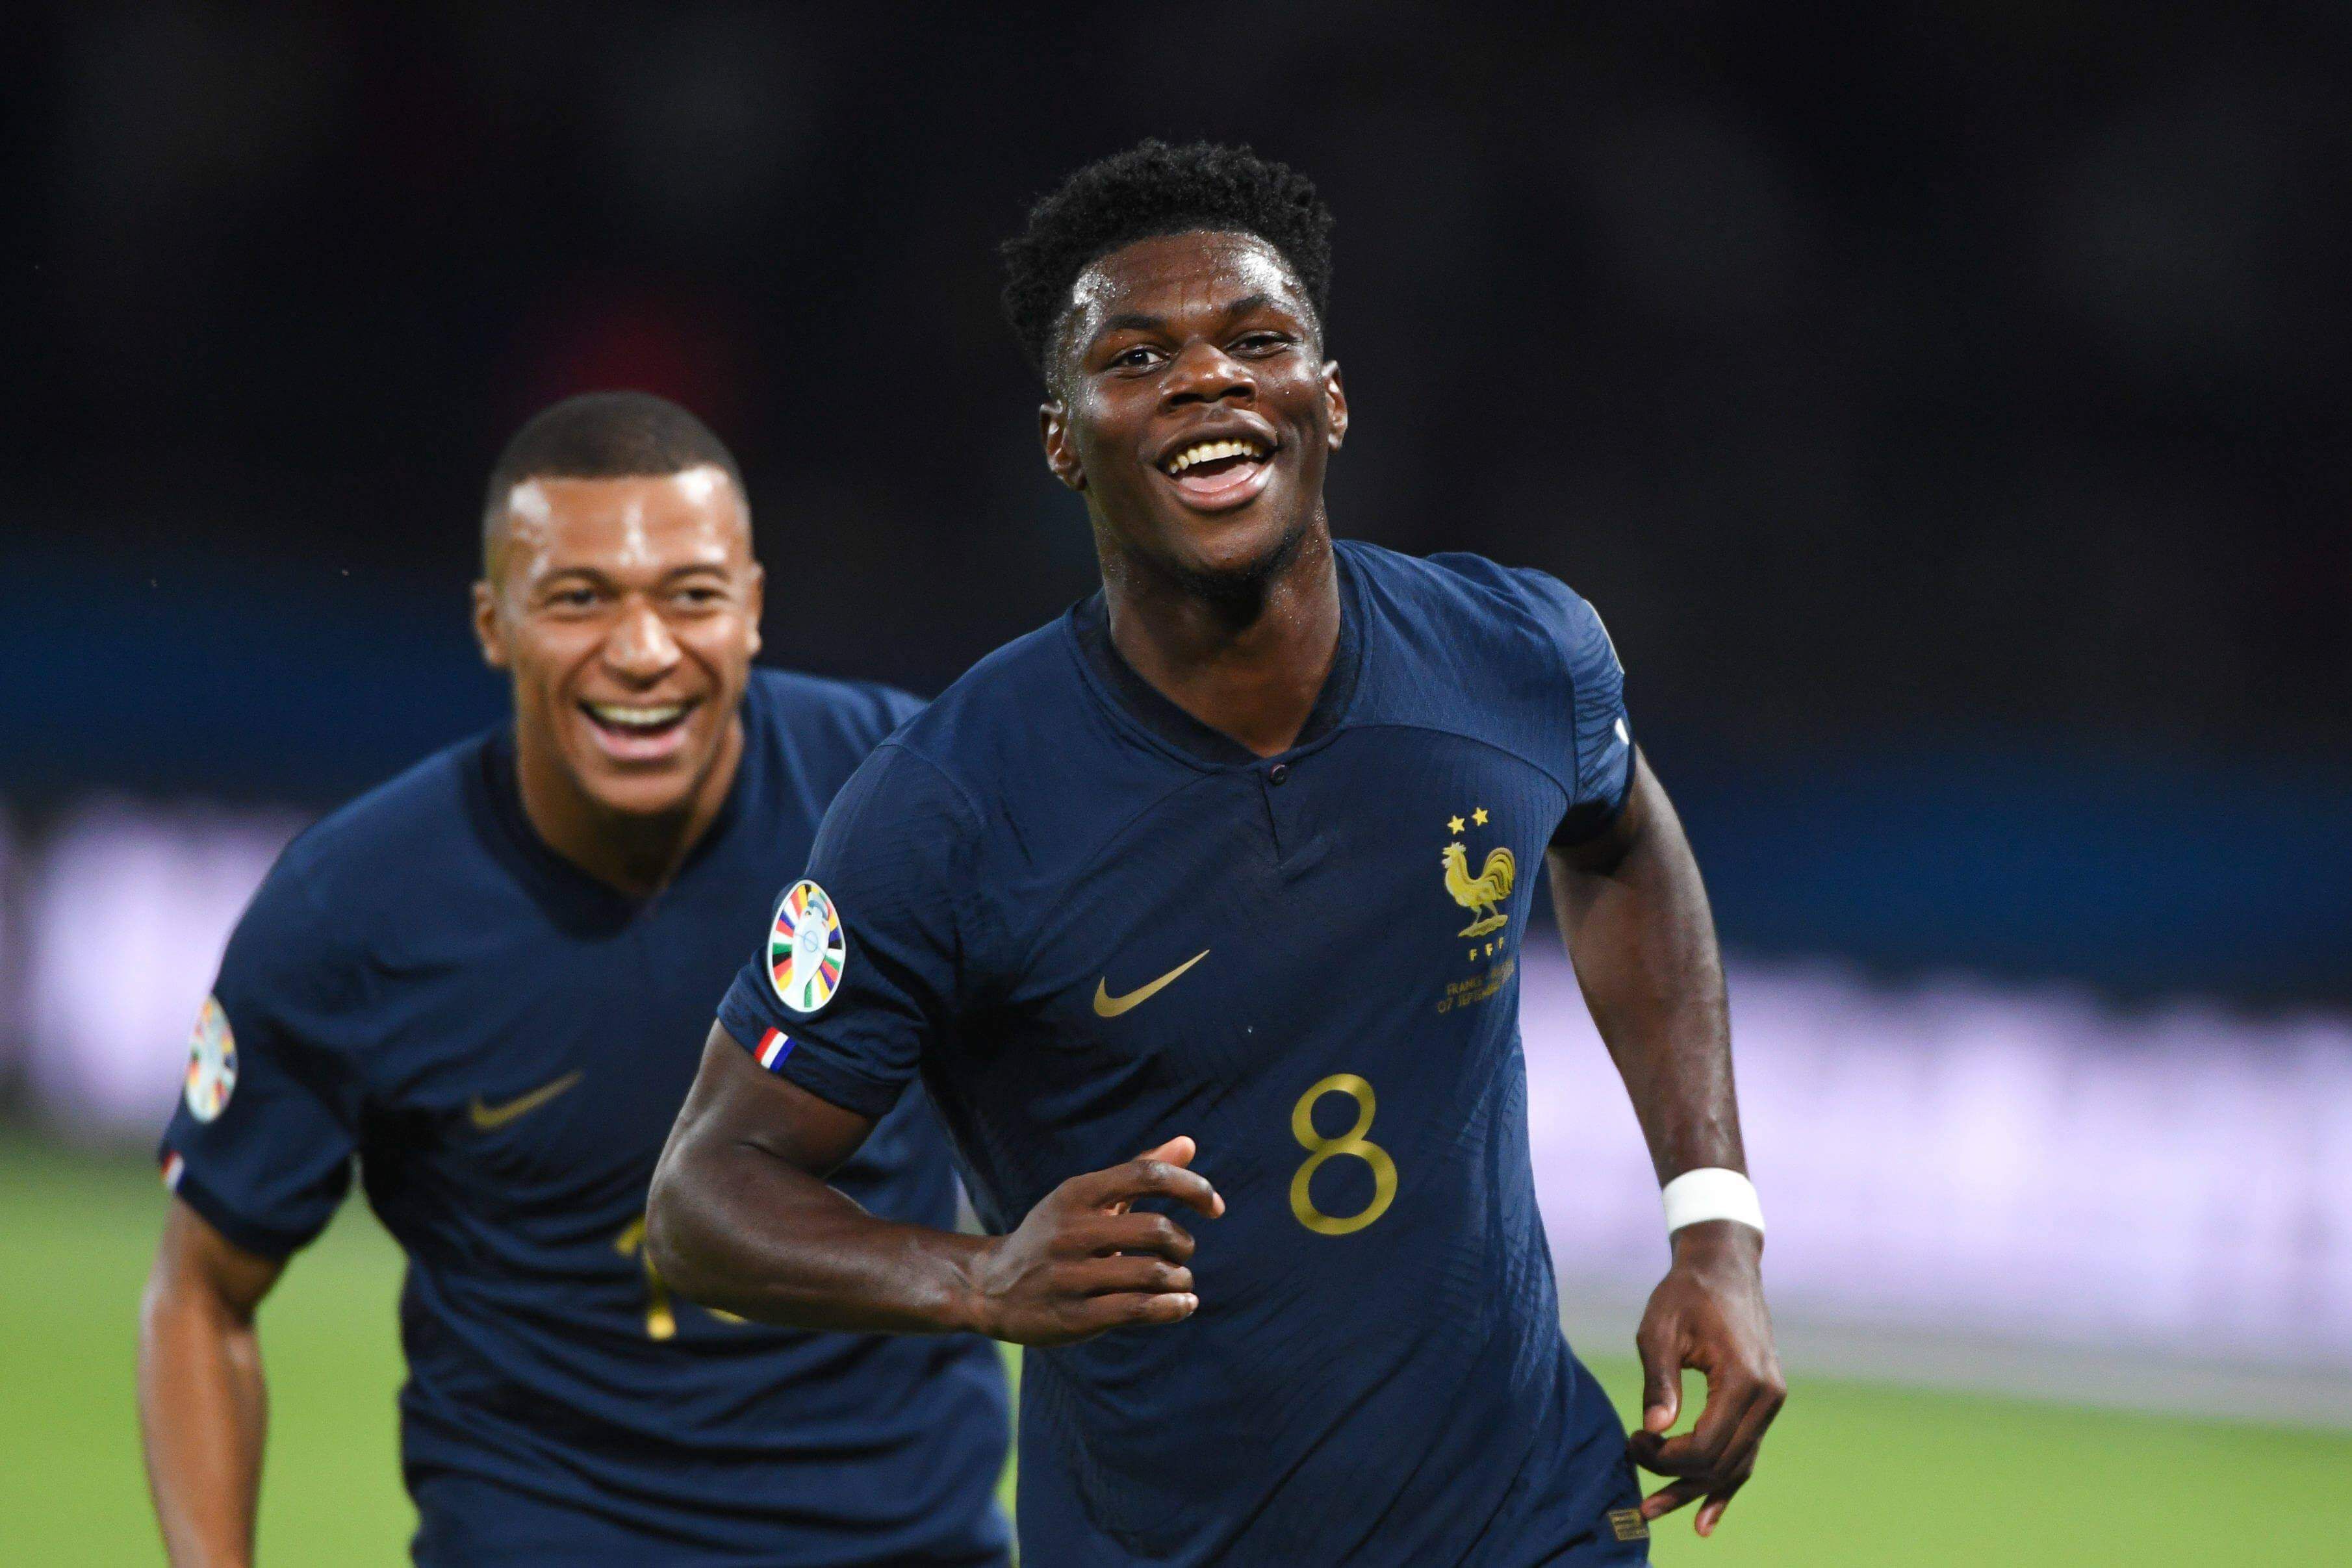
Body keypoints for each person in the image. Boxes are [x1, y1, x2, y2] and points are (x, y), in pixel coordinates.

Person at [648, 143, 1783, 1567]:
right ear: (1063, 438)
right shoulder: (945, 808)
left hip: (1532, 1519)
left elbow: (1623, 842)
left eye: (1259, 339)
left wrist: (1715, 1226)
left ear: (1331, 395)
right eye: (1137, 355)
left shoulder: (1514, 657)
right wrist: (978, 1275)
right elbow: (704, 1197)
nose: (1208, 377)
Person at [138, 392, 1010, 1566]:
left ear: (752, 608)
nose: (642, 650)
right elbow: (200, 1293)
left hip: (905, 1548)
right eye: (580, 598)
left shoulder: (905, 804)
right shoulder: (352, 908)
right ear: (493, 621)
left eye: (690, 595)